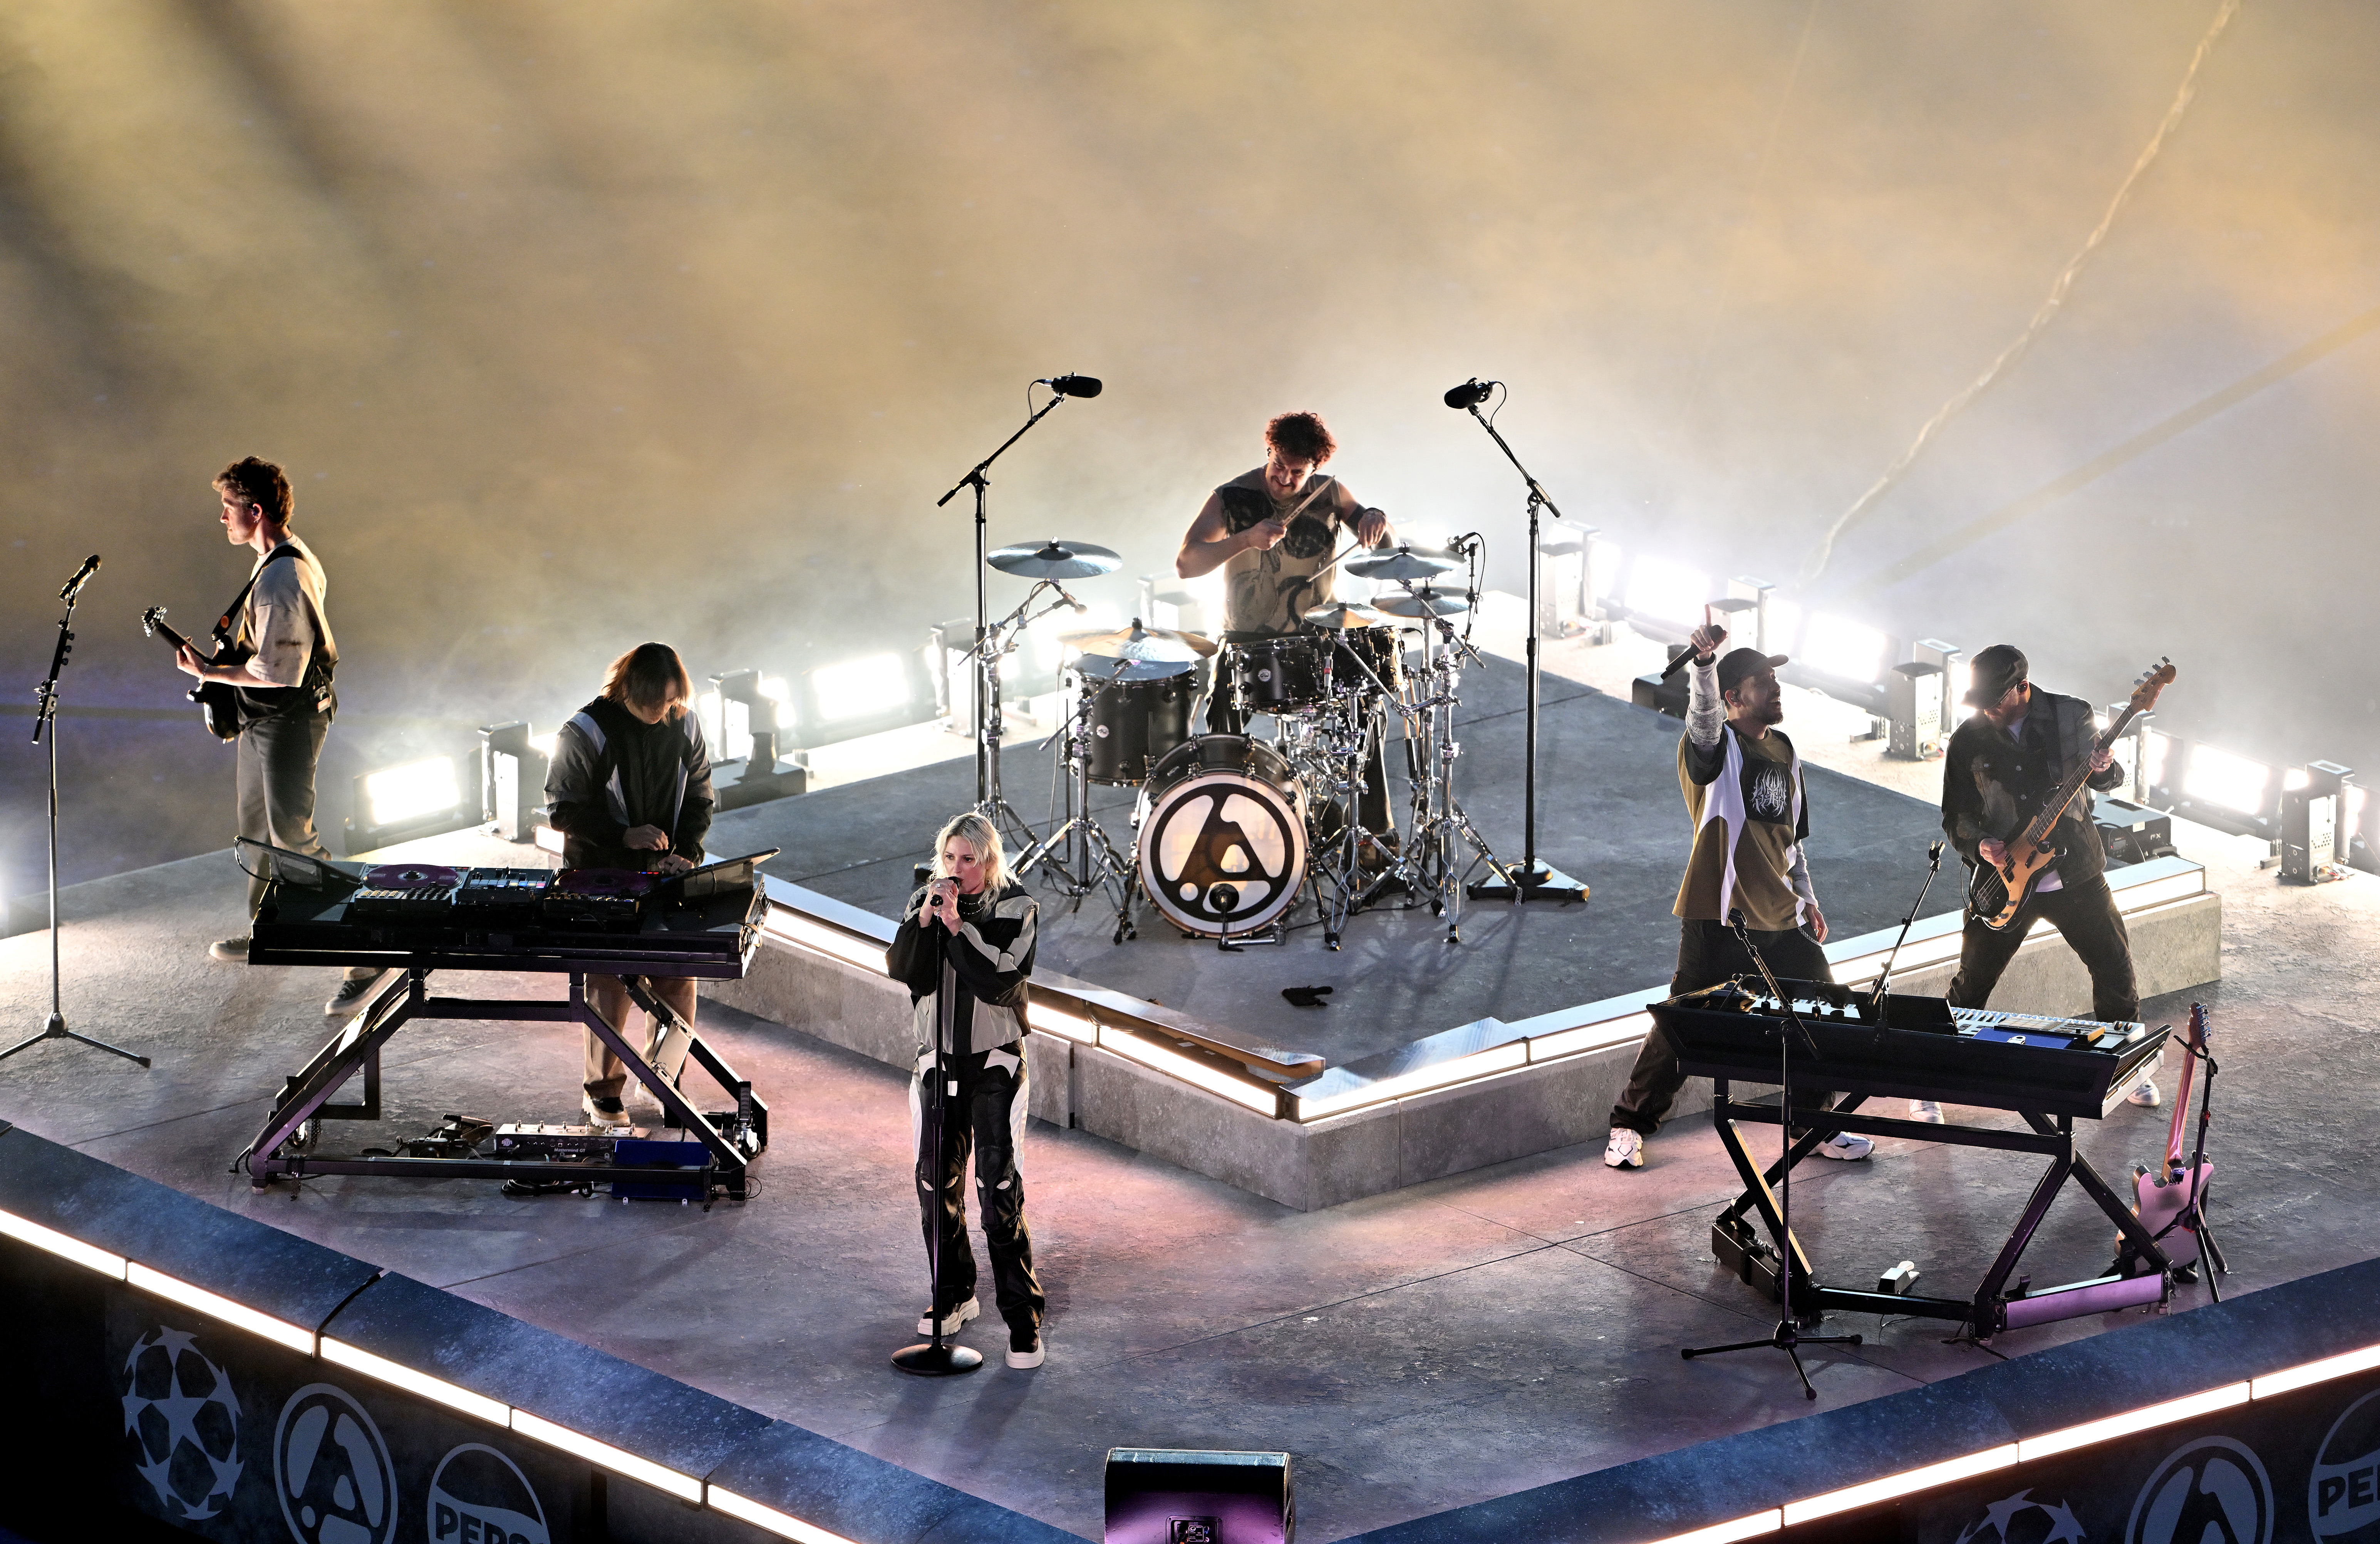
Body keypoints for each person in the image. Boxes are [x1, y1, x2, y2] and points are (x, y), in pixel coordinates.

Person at [1605, 626, 1875, 1169]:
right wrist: (1704, 666)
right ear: (1733, 697)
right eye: (1763, 683)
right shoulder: (1713, 747)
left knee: (1823, 1016)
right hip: (1719, 916)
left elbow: (1791, 841)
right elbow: (1702, 720)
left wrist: (1810, 900)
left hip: (1783, 917)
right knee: (1682, 1025)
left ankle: (1814, 1124)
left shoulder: (1786, 749)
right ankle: (1628, 1128)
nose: (1777, 690)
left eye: (1776, 680)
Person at [178, 456, 384, 1015]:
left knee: (295, 840)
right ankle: (269, 933)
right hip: (263, 718)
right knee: (257, 830)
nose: (222, 517)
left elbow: (281, 674)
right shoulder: (279, 560)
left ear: (256, 510)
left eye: (229, 508)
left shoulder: (282, 577)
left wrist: (208, 674)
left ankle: (367, 953)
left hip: (288, 719)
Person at [1940, 644, 2158, 1112]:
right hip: (2004, 881)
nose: (1988, 709)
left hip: (2074, 870)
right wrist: (1980, 845)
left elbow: (2104, 778)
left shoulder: (2070, 716)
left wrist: (2105, 767)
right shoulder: (1967, 741)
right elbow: (1956, 815)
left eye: (1996, 699)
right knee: (1972, 982)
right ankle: (1935, 1078)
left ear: (2023, 687)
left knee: (2115, 970)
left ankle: (2128, 1067)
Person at [1175, 410, 1397, 836]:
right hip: (1245, 638)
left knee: (1369, 708)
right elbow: (1187, 564)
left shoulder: (1330, 493)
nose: (1285, 479)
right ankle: (1225, 833)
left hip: (1316, 638)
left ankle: (1376, 837)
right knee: (1221, 725)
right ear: (1268, 451)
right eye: (1278, 465)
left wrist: (1376, 519)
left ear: (1315, 468)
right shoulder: (1232, 496)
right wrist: (1244, 539)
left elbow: (1384, 546)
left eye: (1298, 472)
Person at [885, 811, 1047, 1369]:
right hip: (936, 1062)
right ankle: (953, 1294)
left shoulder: (1017, 907)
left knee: (998, 1191)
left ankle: (1023, 1322)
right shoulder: (923, 903)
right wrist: (929, 925)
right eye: (950, 858)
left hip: (995, 1064)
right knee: (935, 1184)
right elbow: (904, 971)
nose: (957, 870)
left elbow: (1002, 983)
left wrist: (959, 929)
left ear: (990, 861)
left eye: (969, 860)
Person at [544, 643, 714, 1127]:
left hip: (665, 874)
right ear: (627, 692)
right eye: (651, 704)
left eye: (668, 702)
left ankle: (666, 1078)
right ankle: (602, 1093)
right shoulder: (585, 731)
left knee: (679, 977)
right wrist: (624, 835)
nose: (661, 712)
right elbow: (561, 809)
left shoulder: (685, 723)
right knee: (609, 985)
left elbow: (702, 795)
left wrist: (687, 853)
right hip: (600, 876)